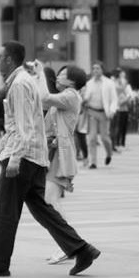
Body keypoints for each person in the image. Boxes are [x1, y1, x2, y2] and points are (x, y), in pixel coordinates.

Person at [0, 40, 100, 278]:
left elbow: (24, 126)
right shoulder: (24, 82)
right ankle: (82, 249)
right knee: (43, 210)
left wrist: (14, 157)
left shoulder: (19, 84)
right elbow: (22, 124)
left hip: (24, 157)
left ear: (9, 60)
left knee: (4, 211)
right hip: (37, 157)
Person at [41, 65, 88, 265]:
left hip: (61, 154)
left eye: (62, 75)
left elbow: (44, 98)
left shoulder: (70, 96)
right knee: (49, 200)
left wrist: (38, 75)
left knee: (51, 200)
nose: (58, 77)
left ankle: (68, 245)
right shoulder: (64, 96)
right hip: (53, 152)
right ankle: (67, 244)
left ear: (72, 81)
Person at [81, 62, 117, 169]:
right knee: (91, 138)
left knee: (104, 137)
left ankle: (109, 153)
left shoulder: (109, 83)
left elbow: (114, 99)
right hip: (92, 111)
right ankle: (93, 162)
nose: (95, 70)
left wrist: (112, 110)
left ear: (102, 70)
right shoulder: (89, 83)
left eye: (98, 68)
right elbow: (86, 96)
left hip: (104, 113)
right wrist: (85, 100)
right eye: (94, 68)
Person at [112, 69, 133, 149]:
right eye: (121, 74)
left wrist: (127, 99)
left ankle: (122, 143)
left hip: (125, 108)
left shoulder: (125, 87)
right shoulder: (114, 83)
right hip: (118, 109)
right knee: (118, 127)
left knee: (124, 126)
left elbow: (129, 95)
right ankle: (117, 143)